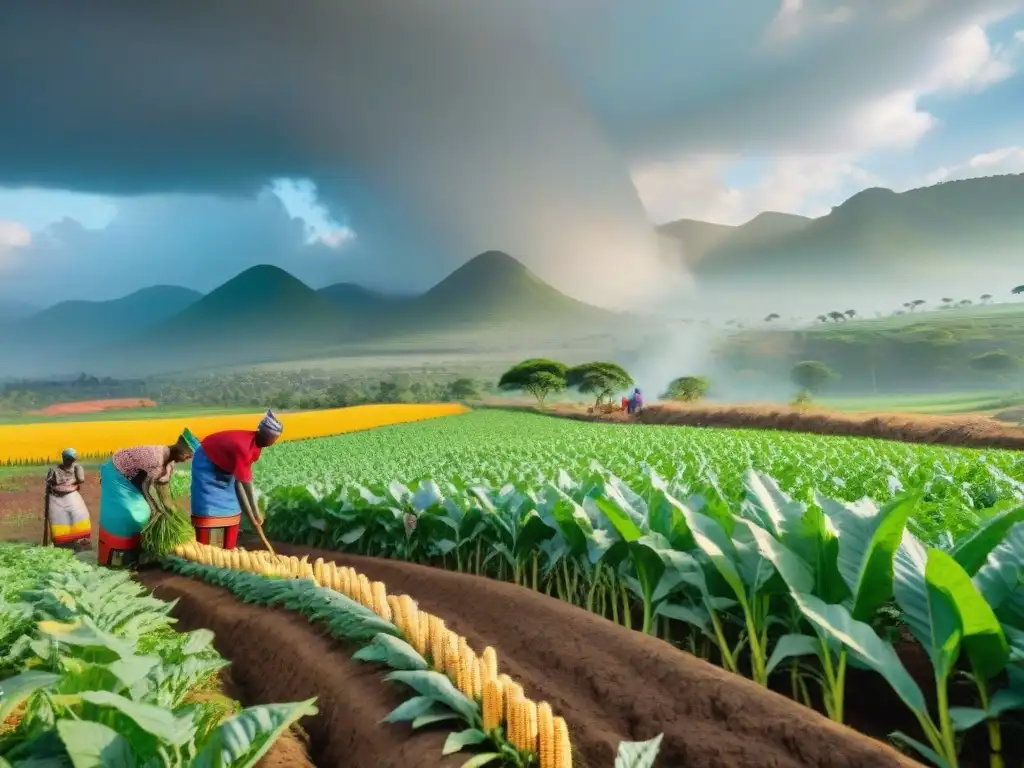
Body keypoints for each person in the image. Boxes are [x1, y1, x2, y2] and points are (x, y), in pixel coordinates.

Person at [97, 432, 195, 567]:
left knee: (144, 513)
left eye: (189, 457)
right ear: (178, 449)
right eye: (186, 455)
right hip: (116, 474)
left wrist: (171, 510)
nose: (186, 459)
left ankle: (136, 553)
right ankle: (115, 559)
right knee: (130, 514)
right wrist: (155, 508)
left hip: (134, 481)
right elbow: (145, 488)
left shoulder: (169, 465)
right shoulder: (155, 457)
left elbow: (163, 492)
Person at [190, 409, 283, 550]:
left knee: (232, 507)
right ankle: (203, 550)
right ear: (262, 433)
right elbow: (246, 484)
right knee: (206, 504)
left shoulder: (256, 446)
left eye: (274, 439)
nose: (272, 442)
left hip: (226, 465)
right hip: (207, 461)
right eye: (271, 438)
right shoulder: (243, 446)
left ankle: (229, 548)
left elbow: (239, 482)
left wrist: (252, 518)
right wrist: (256, 511)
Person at [43, 448, 92, 550]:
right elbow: (48, 486)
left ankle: (80, 541)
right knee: (59, 521)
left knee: (79, 516)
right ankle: (63, 544)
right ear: (64, 458)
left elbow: (81, 479)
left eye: (71, 459)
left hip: (71, 495)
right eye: (68, 459)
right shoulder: (54, 470)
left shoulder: (77, 468)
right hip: (56, 498)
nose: (70, 461)